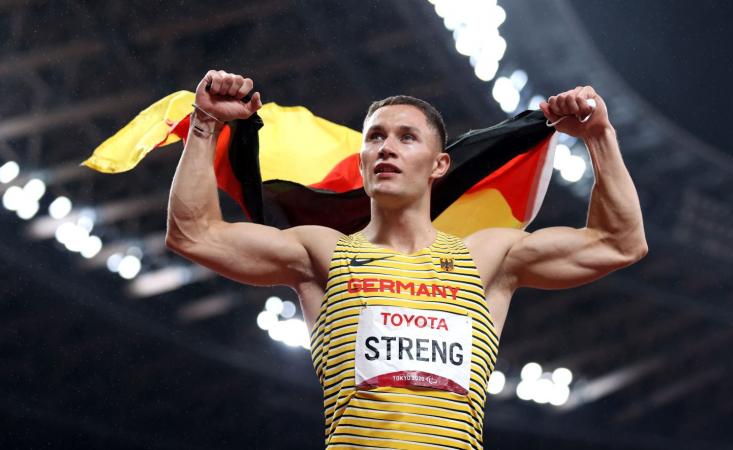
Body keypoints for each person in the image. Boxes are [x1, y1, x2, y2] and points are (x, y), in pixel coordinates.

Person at [165, 70, 648, 449]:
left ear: (440, 166)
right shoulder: (322, 253)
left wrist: (598, 137)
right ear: (361, 163)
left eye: (406, 138)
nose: (386, 148)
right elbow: (194, 234)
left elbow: (619, 243)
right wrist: (205, 123)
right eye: (374, 138)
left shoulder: (488, 257)